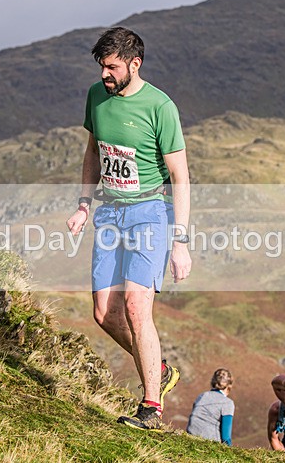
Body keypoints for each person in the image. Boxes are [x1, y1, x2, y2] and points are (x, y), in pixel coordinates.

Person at [66, 27, 191, 431]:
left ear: (134, 64)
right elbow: (93, 152)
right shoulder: (96, 97)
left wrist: (181, 242)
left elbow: (181, 177)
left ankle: (151, 408)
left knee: (137, 307)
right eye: (101, 66)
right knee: (104, 313)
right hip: (109, 214)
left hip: (150, 213)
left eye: (112, 66)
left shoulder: (160, 107)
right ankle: (161, 369)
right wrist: (84, 205)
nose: (104, 73)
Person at [187, 369, 235, 445]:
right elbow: (226, 437)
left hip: (189, 438)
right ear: (229, 387)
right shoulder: (227, 403)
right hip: (210, 443)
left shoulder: (201, 396)